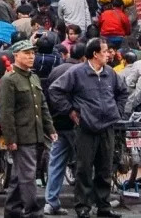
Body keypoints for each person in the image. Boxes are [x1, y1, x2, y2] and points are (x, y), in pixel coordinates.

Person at [49, 38, 127, 218]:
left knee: (105, 169)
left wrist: (117, 110)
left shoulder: (110, 73)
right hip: (86, 128)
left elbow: (122, 92)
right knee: (84, 169)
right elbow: (55, 90)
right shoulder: (77, 72)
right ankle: (83, 207)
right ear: (95, 54)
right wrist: (70, 111)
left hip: (107, 126)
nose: (109, 54)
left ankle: (103, 207)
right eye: (105, 51)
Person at [0, 40, 57, 218]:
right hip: (21, 136)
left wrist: (50, 128)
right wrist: (11, 139)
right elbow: (6, 113)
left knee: (20, 177)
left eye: (33, 53)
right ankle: (33, 211)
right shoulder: (9, 79)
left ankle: (12, 211)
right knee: (28, 177)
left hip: (36, 134)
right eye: (27, 53)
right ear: (16, 56)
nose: (31, 57)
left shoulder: (33, 77)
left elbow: (42, 105)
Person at [42, 42, 87, 215]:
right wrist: (71, 112)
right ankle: (85, 202)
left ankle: (51, 202)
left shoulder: (56, 70)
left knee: (56, 162)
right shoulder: (80, 72)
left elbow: (49, 94)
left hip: (57, 123)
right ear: (84, 57)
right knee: (83, 163)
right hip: (74, 124)